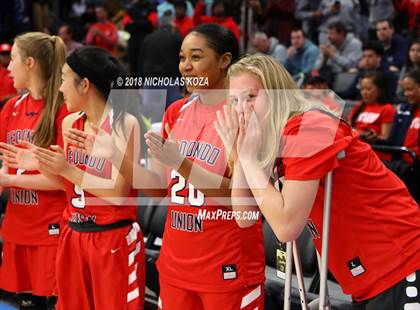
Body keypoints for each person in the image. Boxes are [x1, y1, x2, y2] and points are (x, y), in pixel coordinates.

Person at [215, 54, 420, 309]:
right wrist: (239, 155)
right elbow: (244, 217)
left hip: (401, 263)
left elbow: (286, 226)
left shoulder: (310, 125)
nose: (241, 109)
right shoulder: (271, 140)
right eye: (234, 100)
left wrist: (247, 159)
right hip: (368, 279)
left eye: (251, 96)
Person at [146, 23, 265, 309]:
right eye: (182, 58)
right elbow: (157, 190)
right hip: (176, 264)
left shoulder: (246, 113)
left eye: (196, 57)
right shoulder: (176, 111)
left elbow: (245, 202)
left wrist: (181, 164)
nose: (185, 66)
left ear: (225, 60)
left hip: (228, 265)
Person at [31, 46, 145, 310]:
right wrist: (45, 164)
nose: (59, 88)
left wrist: (67, 169)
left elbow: (117, 193)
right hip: (74, 234)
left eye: (63, 79)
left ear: (84, 85)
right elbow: (71, 186)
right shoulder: (70, 122)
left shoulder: (123, 124)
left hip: (112, 240)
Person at [0, 32, 68, 310]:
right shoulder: (11, 109)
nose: (7, 67)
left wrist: (7, 178)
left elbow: (65, 181)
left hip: (49, 231)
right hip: (16, 227)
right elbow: (7, 164)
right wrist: (5, 179)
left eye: (13, 58)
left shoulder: (64, 110)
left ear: (30, 63)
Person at [348, 71, 395, 159]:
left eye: (369, 89)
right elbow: (348, 129)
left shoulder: (387, 108)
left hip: (375, 152)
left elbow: (385, 137)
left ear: (380, 90)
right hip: (355, 149)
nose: (364, 92)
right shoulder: (358, 107)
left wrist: (374, 137)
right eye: (362, 89)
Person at [0, 42, 16, 107]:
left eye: (8, 54)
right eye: (3, 54)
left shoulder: (18, 70)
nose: (6, 56)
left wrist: (8, 98)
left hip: (14, 107)